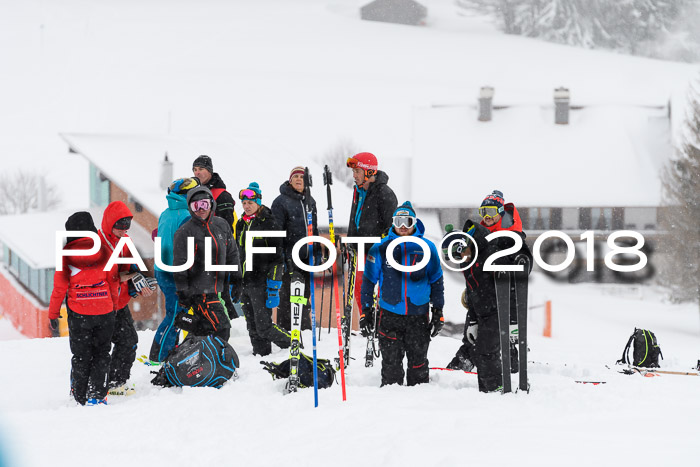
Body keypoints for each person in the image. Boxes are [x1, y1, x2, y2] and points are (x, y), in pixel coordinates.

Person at [446, 190, 532, 375]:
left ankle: (507, 366)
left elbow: (524, 263)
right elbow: (472, 265)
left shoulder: (512, 237)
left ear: (501, 212)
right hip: (480, 294)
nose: (487, 216)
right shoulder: (479, 236)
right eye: (483, 211)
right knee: (473, 332)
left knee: (500, 335)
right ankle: (466, 361)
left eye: (491, 212)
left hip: (504, 296)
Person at [359, 201, 444, 386]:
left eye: (407, 221)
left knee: (418, 369)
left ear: (414, 222)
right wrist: (366, 310)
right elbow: (368, 281)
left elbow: (437, 280)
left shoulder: (427, 248)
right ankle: (390, 410)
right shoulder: (380, 248)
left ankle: (420, 408)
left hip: (418, 316)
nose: (403, 226)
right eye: (398, 221)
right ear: (393, 223)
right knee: (391, 370)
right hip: (389, 316)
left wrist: (438, 311)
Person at [49, 212, 120, 405]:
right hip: (104, 311)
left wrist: (53, 314)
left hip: (80, 315)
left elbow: (59, 288)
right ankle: (97, 395)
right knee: (102, 354)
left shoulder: (66, 256)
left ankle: (79, 396)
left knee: (81, 355)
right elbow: (113, 282)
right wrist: (114, 305)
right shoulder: (105, 251)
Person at [98, 201, 156, 391]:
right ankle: (98, 384)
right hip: (102, 306)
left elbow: (133, 269)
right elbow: (109, 277)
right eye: (119, 228)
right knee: (101, 348)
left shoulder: (126, 242)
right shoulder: (98, 245)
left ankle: (117, 382)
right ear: (109, 223)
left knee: (129, 342)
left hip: (120, 304)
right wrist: (132, 276)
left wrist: (142, 282)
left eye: (127, 227)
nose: (124, 232)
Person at [173, 186, 241, 341]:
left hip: (217, 287)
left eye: (204, 204)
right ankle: (215, 360)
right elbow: (179, 264)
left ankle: (198, 360)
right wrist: (182, 291)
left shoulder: (221, 225)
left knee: (203, 329)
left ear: (212, 204)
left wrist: (237, 279)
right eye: (195, 206)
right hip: (198, 291)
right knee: (222, 328)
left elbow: (232, 254)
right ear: (190, 208)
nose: (201, 209)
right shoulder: (185, 232)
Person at [148, 177, 200, 362]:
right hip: (175, 272)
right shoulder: (186, 216)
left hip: (163, 270)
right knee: (176, 315)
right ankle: (160, 355)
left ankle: (168, 350)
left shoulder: (166, 212)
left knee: (177, 313)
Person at [235, 182, 291, 356]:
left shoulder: (269, 222)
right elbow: (237, 253)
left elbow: (277, 258)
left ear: (258, 202)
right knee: (252, 326)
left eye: (250, 203)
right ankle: (261, 355)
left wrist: (274, 286)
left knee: (264, 327)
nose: (247, 206)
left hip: (261, 283)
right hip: (245, 281)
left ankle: (292, 343)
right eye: (244, 203)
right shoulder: (241, 224)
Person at [270, 166, 320, 331]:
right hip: (289, 258)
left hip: (306, 258)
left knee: (303, 296)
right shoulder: (280, 202)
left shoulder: (310, 201)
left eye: (302, 177)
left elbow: (315, 231)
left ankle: (303, 329)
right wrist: (282, 258)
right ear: (290, 180)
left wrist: (318, 254)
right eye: (296, 176)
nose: (299, 179)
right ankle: (286, 331)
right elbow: (276, 234)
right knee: (288, 296)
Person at [346, 152, 398, 310]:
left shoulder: (385, 194)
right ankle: (365, 320)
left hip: (376, 251)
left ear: (369, 171)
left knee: (380, 289)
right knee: (359, 288)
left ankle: (380, 323)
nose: (354, 175)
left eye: (357, 171)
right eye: (353, 172)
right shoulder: (359, 192)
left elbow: (391, 227)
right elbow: (354, 221)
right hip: (359, 250)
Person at [192, 155, 238, 235]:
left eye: (201, 169)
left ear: (210, 171)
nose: (197, 173)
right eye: (195, 169)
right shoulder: (194, 193)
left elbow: (226, 230)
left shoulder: (222, 196)